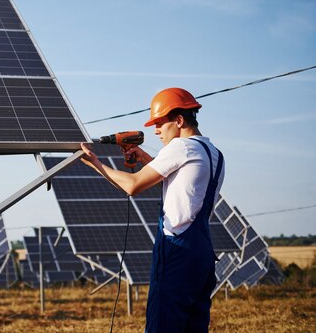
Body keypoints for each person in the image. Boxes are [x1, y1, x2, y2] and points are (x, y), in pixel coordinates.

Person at [80, 87, 225, 333]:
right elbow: (184, 180)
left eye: (160, 123)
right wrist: (148, 159)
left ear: (179, 120)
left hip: (176, 252)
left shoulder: (181, 147)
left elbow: (133, 185)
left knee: (162, 326)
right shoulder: (214, 153)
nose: (155, 131)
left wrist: (95, 164)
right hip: (202, 255)